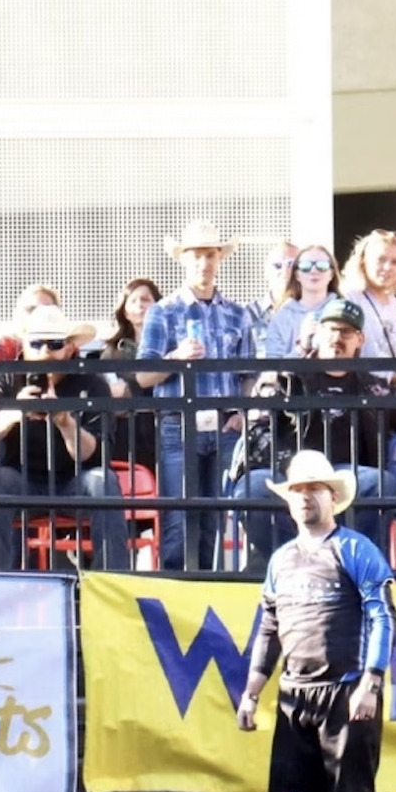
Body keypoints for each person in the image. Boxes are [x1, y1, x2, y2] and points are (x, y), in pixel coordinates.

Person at [236, 449, 396, 792]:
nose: (306, 498)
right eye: (299, 491)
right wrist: (252, 692)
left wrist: (371, 680)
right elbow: (269, 625)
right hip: (294, 698)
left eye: (315, 490)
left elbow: (382, 613)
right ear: (289, 502)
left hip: (347, 694)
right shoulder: (281, 561)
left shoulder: (356, 550)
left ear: (334, 498)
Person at [231, 300, 396, 565]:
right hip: (287, 469)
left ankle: (356, 564)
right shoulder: (286, 377)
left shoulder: (374, 388)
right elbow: (258, 427)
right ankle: (297, 562)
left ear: (359, 340)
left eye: (346, 332)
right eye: (330, 329)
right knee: (252, 488)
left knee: (382, 483)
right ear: (316, 335)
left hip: (343, 472)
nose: (337, 338)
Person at [137, 218, 253, 572]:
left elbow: (248, 374)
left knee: (215, 519)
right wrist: (175, 357)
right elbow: (144, 375)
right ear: (184, 259)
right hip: (179, 423)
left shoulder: (238, 312)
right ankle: (177, 593)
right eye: (197, 255)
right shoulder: (163, 310)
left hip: (224, 424)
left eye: (211, 255)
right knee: (178, 520)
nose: (204, 263)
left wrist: (242, 414)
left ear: (220, 259)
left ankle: (209, 587)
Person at [0, 305, 126, 571]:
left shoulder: (91, 382)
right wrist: (17, 412)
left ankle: (113, 582)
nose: (45, 351)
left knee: (104, 481)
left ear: (69, 348)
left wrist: (65, 422)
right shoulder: (7, 377)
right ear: (24, 345)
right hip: (19, 479)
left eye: (55, 343)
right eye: (36, 343)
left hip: (75, 482)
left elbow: (95, 454)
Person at [97, 277, 161, 470]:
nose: (140, 305)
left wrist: (130, 390)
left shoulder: (170, 345)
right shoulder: (112, 351)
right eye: (133, 301)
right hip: (127, 435)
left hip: (164, 432)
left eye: (146, 299)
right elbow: (110, 395)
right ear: (125, 311)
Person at [259, 244, 342, 360]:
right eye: (306, 266)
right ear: (297, 274)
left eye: (322, 266)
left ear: (331, 274)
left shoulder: (345, 312)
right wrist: (302, 347)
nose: (314, 270)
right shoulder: (281, 317)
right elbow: (273, 370)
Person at [340, 230, 396, 365]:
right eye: (381, 259)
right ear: (363, 261)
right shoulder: (349, 297)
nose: (388, 267)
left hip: (394, 384)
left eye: (395, 262)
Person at [246, 242, 299, 360]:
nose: (285, 272)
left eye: (291, 264)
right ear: (266, 272)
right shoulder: (248, 314)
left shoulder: (313, 310)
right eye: (277, 265)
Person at [0, 283, 60, 361]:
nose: (38, 315)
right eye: (31, 309)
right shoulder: (7, 344)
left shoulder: (61, 347)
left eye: (47, 310)